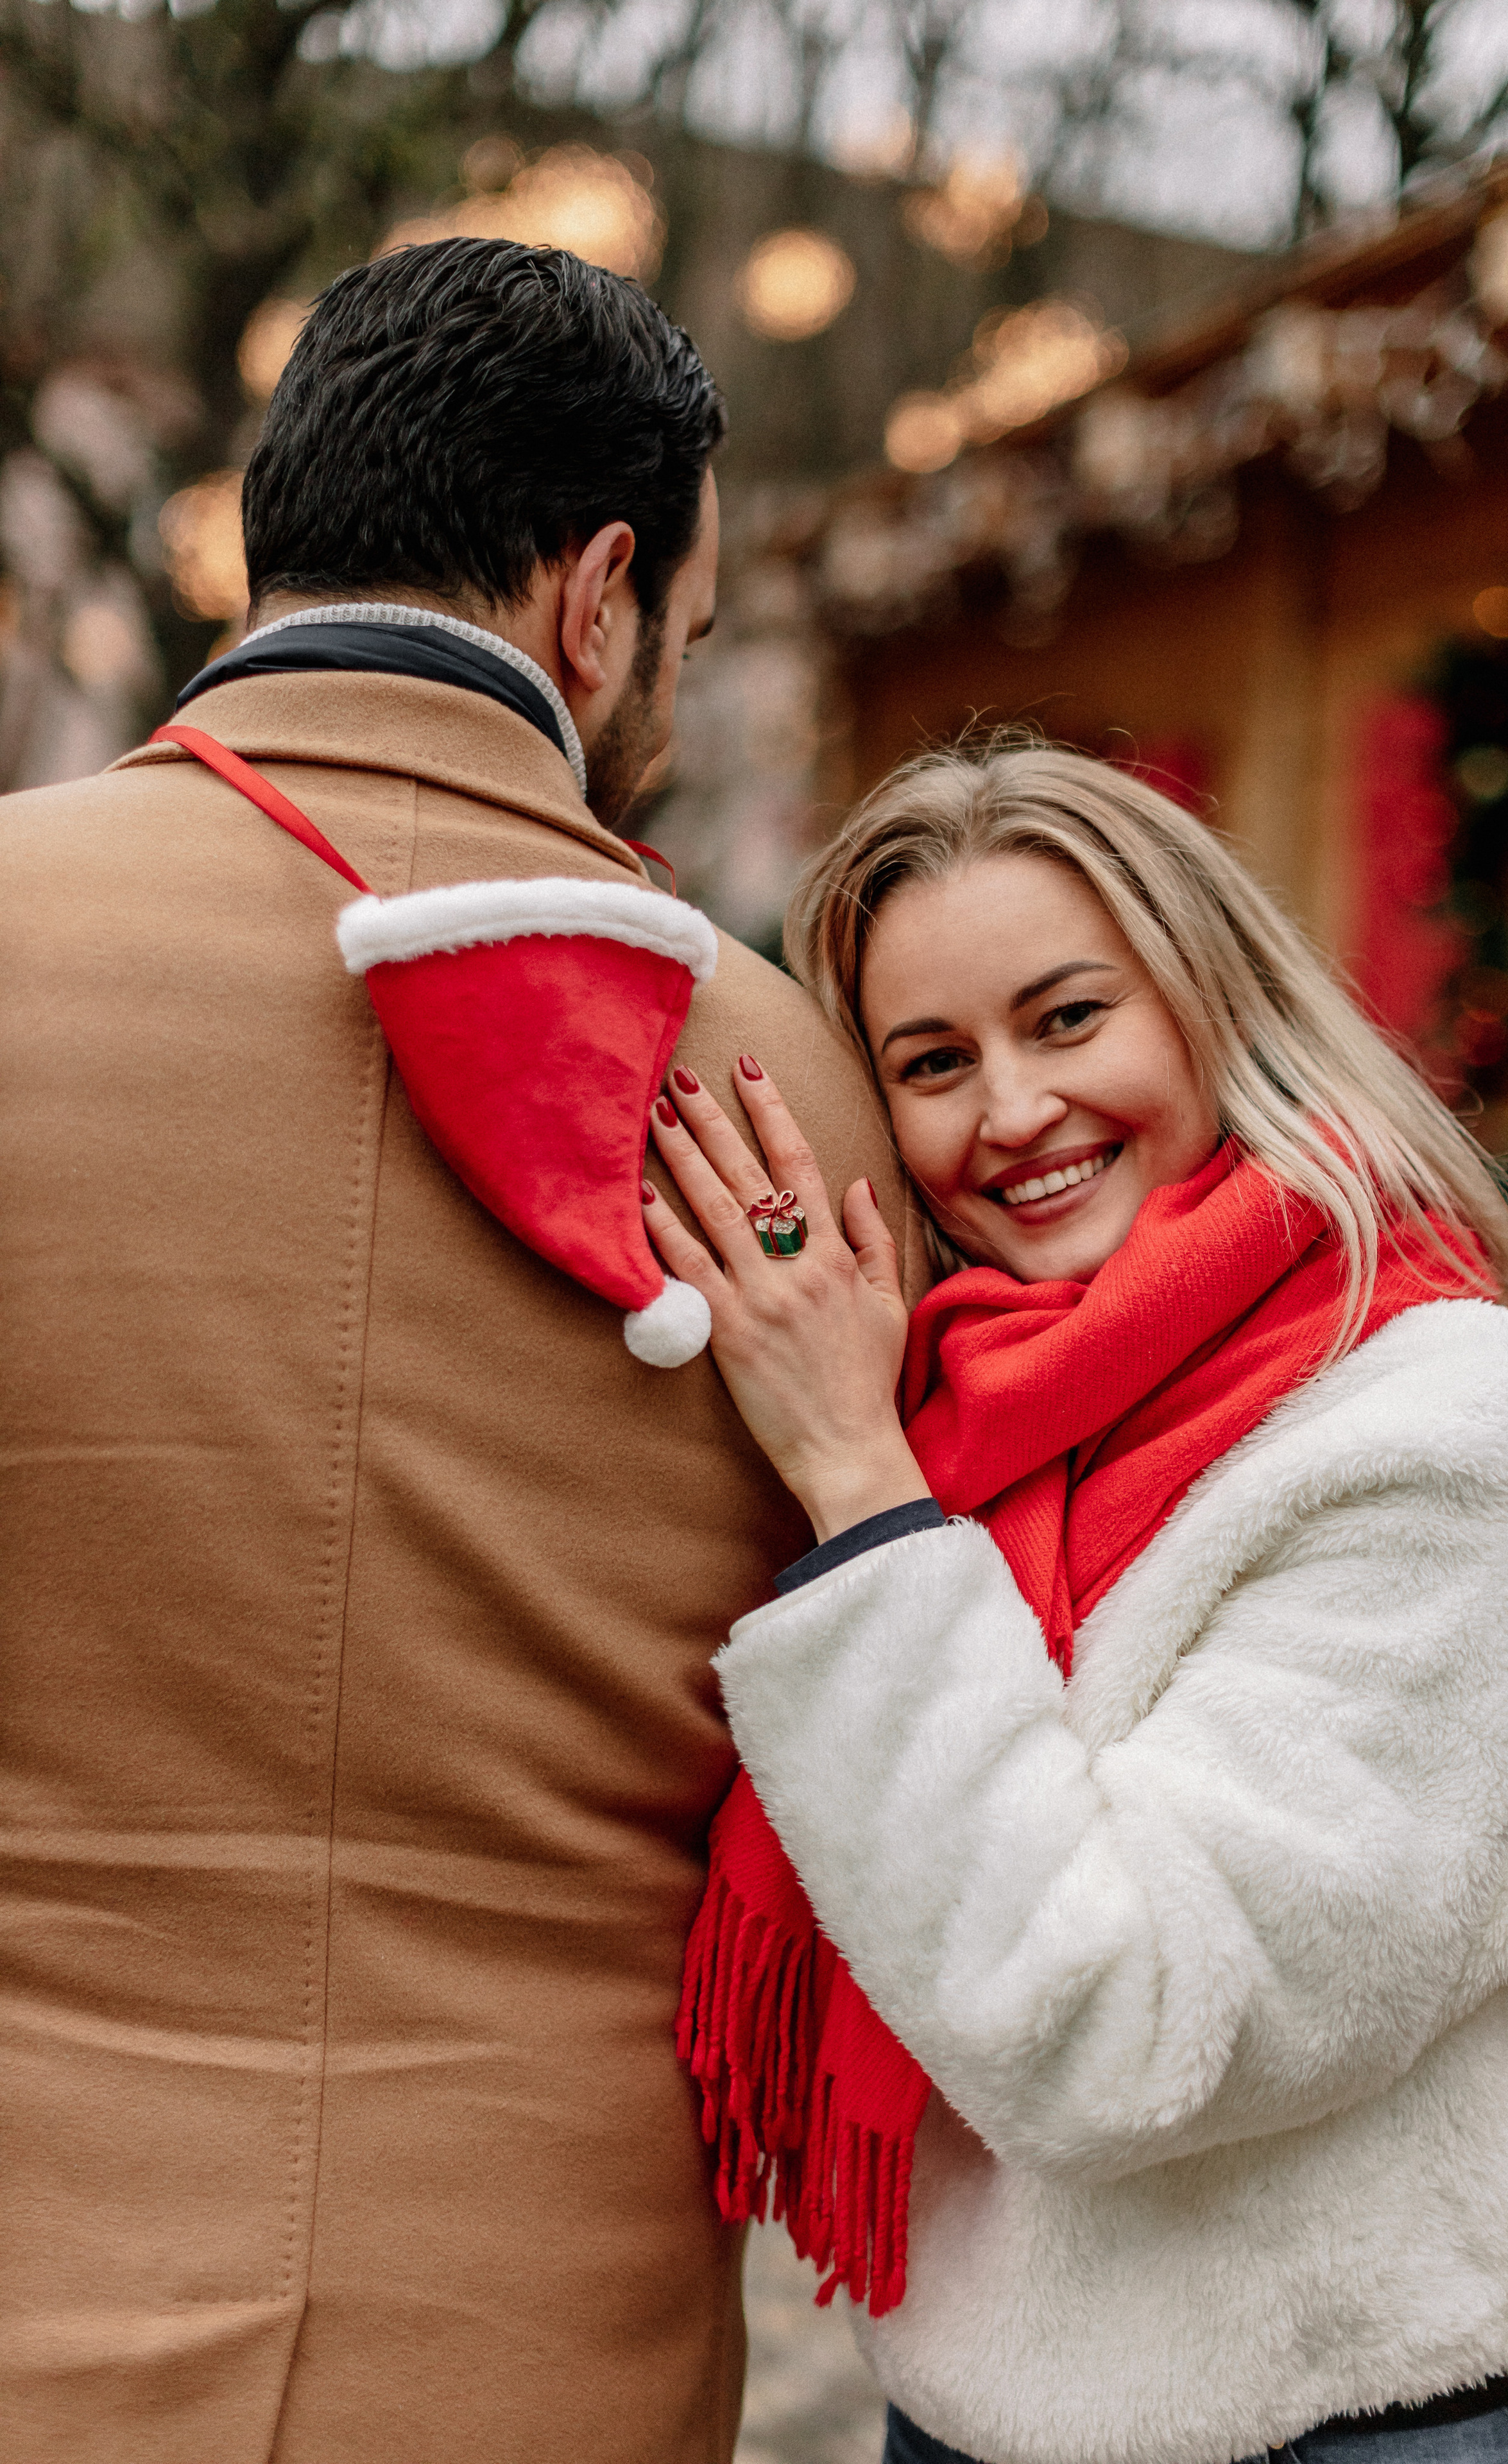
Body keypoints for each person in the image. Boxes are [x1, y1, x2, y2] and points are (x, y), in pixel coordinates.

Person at [0, 238, 920, 2464]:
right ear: (596, 596)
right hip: (547, 2324)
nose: (674, 707)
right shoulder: (791, 1070)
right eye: (687, 644)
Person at [646, 739, 1508, 2464]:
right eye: (932, 1061)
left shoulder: (1440, 1425)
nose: (1011, 1112)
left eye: (1068, 1017)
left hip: (1352, 2426)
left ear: (1210, 1006)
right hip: (982, 2418)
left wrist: (858, 1491)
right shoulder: (982, 1416)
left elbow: (1128, 2026)